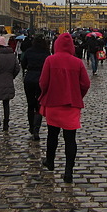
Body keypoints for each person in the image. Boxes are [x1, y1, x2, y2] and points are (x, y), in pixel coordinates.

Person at [39, 32, 91, 183]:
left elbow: (43, 82)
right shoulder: (77, 62)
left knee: (52, 135)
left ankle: (50, 162)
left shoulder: (50, 60)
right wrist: (77, 95)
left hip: (53, 103)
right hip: (71, 105)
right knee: (70, 139)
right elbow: (86, 84)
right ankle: (68, 172)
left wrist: (46, 93)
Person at [0, 35, 20, 133]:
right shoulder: (12, 55)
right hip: (8, 80)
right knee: (6, 104)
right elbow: (17, 68)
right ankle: (6, 122)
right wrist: (11, 76)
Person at [21, 35, 50, 141]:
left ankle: (31, 127)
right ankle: (36, 129)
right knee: (39, 104)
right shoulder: (46, 53)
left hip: (29, 78)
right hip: (41, 79)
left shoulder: (29, 51)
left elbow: (23, 64)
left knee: (30, 104)